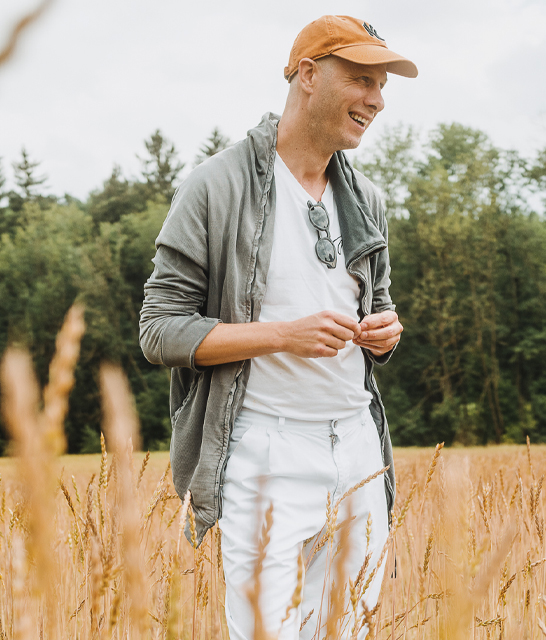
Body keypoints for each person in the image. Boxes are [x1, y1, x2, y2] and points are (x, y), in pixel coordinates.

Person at [139, 15, 416, 640]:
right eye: (362, 79)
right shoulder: (216, 186)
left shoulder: (367, 198)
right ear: (309, 76)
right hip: (263, 453)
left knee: (351, 632)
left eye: (382, 85)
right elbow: (160, 330)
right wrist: (280, 336)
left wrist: (385, 332)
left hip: (358, 448)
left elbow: (383, 304)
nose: (376, 99)